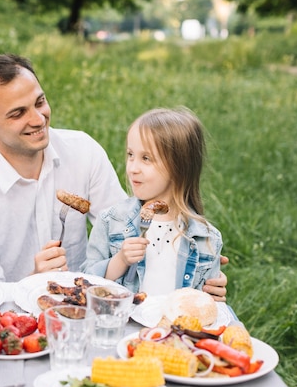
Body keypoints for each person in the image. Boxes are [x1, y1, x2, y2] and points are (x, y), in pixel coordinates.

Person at [0, 54, 228, 301]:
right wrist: (32, 282)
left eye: (40, 102)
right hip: (20, 316)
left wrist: (181, 260)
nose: (38, 119)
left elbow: (126, 228)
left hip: (90, 305)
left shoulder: (83, 151)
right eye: (18, 113)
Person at [81, 107, 222, 296]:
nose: (132, 168)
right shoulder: (112, 221)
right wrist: (120, 261)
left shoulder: (207, 238)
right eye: (131, 155)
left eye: (146, 158)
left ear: (178, 167)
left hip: (172, 325)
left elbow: (208, 304)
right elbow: (85, 282)